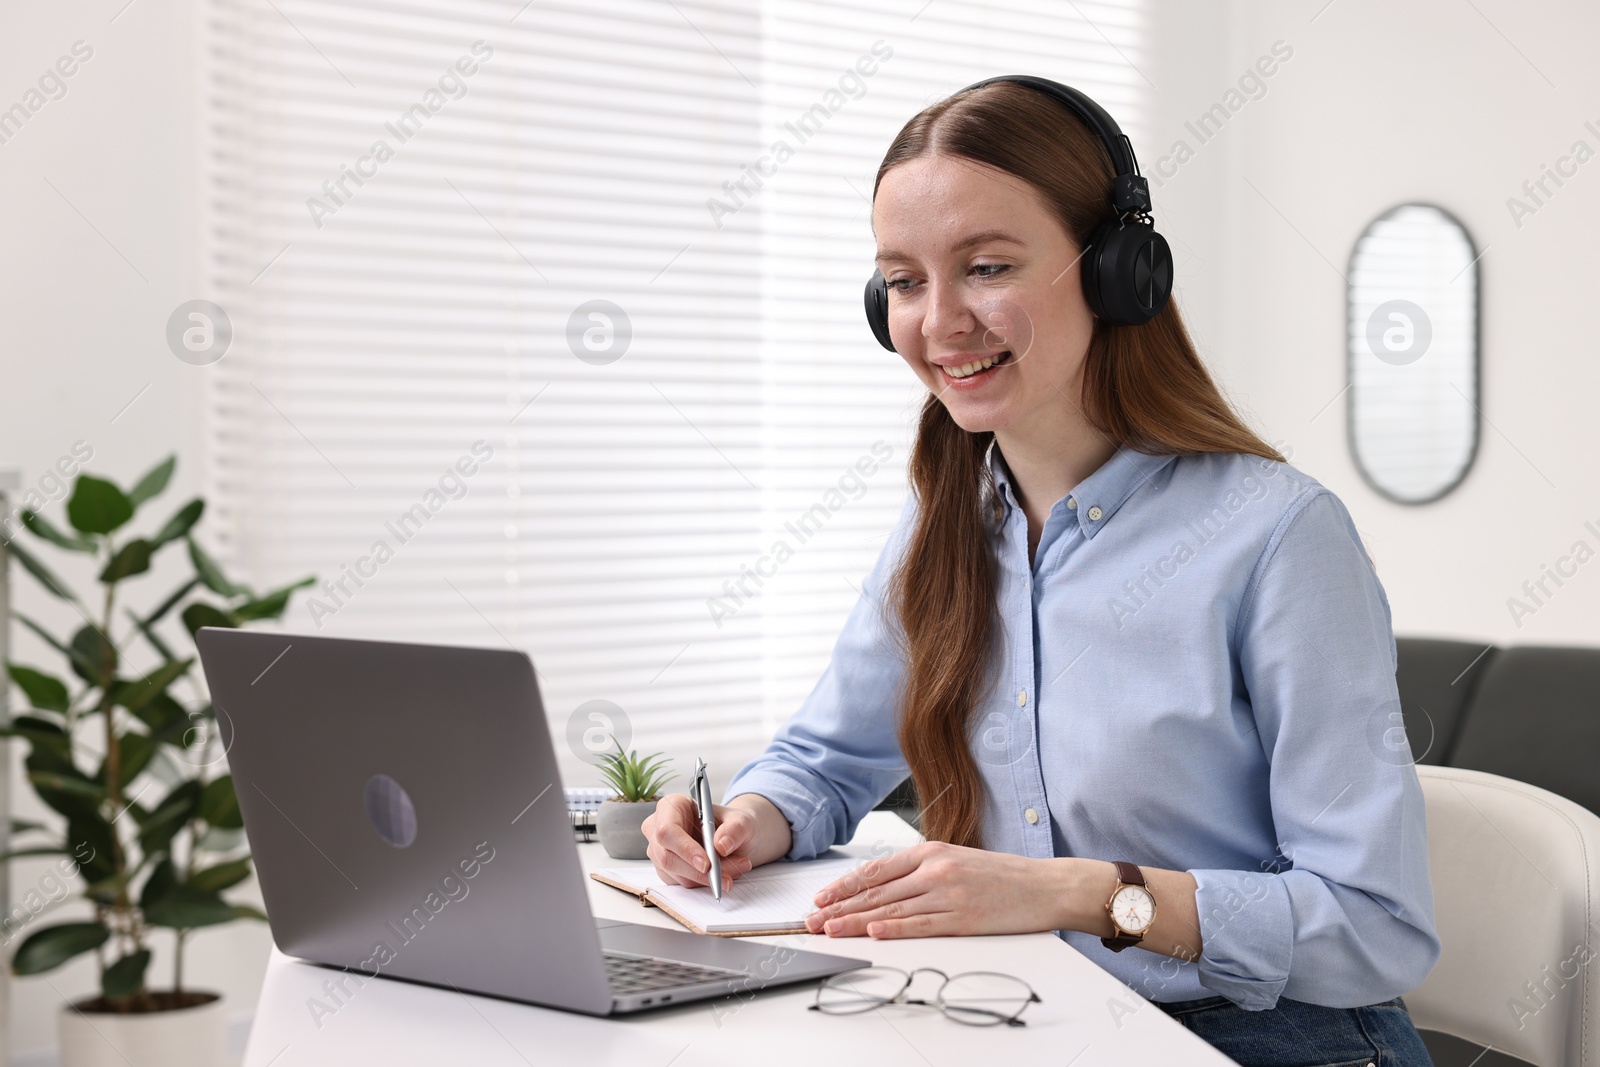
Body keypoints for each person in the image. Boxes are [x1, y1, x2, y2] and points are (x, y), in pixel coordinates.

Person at [641, 77, 1441, 1066]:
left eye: (985, 266)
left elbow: (1375, 925)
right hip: (1032, 1020)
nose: (938, 323)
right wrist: (741, 824)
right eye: (902, 280)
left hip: (1268, 1038)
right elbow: (826, 760)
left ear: (1117, 272)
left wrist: (1080, 889)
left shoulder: (1275, 535)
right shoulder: (945, 525)